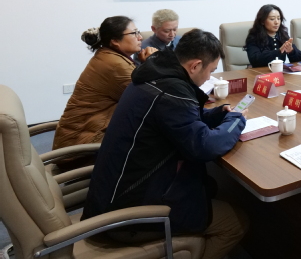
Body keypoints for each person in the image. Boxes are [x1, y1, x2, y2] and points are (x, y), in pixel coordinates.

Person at [82, 29, 248, 259]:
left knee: (209, 186)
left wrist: (217, 114)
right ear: (195, 65)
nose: (209, 78)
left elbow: (175, 120)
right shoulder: (172, 92)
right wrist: (235, 121)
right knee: (235, 222)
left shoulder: (155, 74)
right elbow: (204, 146)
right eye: (210, 71)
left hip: (111, 194)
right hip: (130, 213)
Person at [53, 17, 157, 151]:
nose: (140, 37)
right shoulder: (115, 65)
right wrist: (152, 63)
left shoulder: (109, 56)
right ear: (115, 41)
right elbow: (151, 99)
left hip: (82, 137)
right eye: (134, 33)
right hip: (84, 146)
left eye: (138, 32)